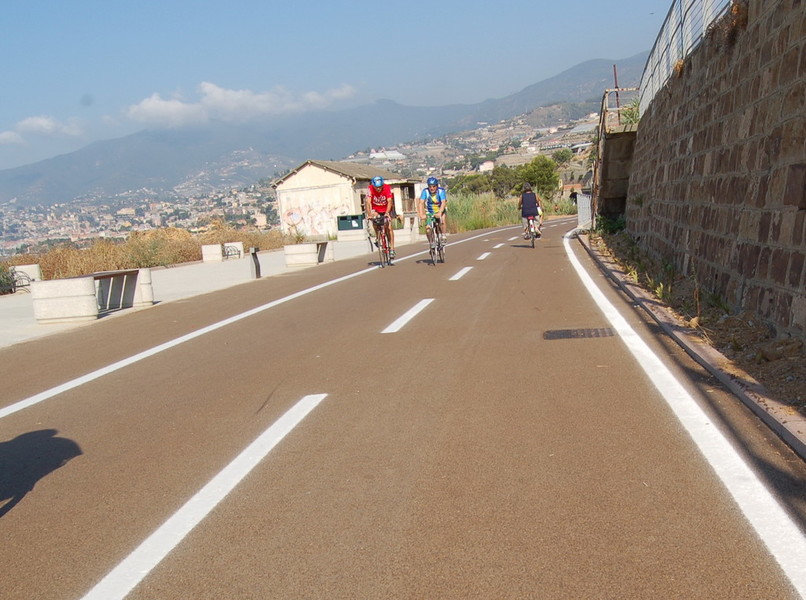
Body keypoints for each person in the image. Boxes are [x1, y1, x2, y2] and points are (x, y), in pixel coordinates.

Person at [366, 175, 395, 258]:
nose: (378, 189)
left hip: (386, 209)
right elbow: (368, 202)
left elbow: (389, 201)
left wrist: (387, 213)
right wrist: (369, 214)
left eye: (380, 187)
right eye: (376, 187)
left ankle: (392, 248)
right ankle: (377, 236)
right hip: (376, 210)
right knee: (375, 222)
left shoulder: (387, 187)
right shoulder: (370, 188)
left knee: (389, 227)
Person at [417, 176, 448, 247]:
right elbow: (421, 203)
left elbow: (443, 202)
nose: (432, 188)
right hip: (430, 212)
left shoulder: (441, 191)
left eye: (434, 186)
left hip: (440, 210)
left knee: (442, 221)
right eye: (430, 186)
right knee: (428, 229)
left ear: (437, 186)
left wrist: (440, 212)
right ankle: (431, 242)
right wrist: (421, 214)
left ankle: (443, 235)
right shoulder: (425, 191)